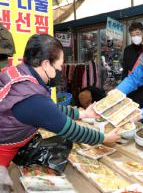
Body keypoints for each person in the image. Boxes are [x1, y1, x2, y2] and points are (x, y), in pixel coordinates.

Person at [0, 34, 120, 167]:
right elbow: (72, 130)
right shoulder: (33, 99)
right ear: (46, 64)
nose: (61, 71)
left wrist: (83, 114)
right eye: (59, 66)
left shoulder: (18, 72)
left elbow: (51, 110)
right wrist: (104, 138)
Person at [122, 22, 143, 108]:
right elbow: (125, 69)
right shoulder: (127, 50)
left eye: (137, 33)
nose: (135, 37)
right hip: (131, 87)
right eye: (132, 35)